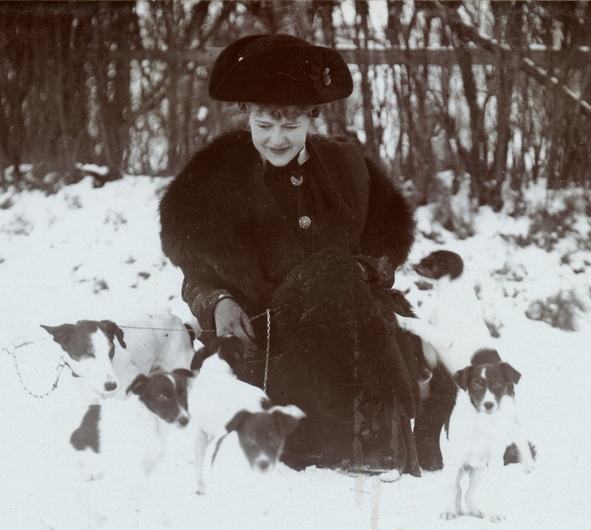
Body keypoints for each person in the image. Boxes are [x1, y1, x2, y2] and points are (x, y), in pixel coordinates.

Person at [159, 33, 425, 475]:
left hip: (351, 333)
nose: (277, 139)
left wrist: (350, 276)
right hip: (268, 345)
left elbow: (386, 252)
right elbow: (196, 275)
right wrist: (219, 303)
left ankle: (373, 445)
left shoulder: (349, 170)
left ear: (312, 117)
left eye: (291, 125)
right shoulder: (211, 178)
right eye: (264, 125)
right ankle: (337, 444)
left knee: (355, 300)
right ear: (246, 114)